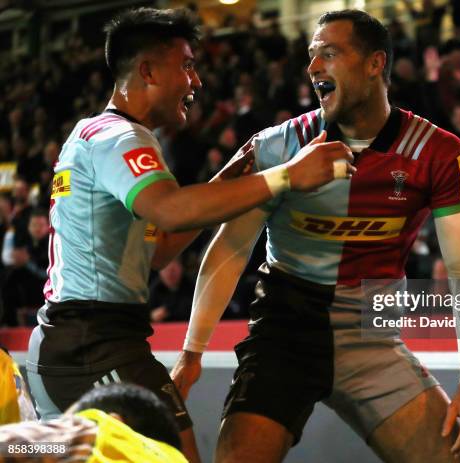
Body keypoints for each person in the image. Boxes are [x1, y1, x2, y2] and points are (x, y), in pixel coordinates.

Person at [25, 7, 354, 463]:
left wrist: (227, 179)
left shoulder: (95, 134)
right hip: (92, 343)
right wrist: (286, 178)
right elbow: (172, 211)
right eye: (186, 65)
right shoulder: (121, 138)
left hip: (77, 337)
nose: (196, 81)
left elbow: (158, 250)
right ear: (146, 70)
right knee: (175, 454)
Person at [173, 10, 460, 463]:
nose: (313, 67)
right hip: (283, 336)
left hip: (371, 338)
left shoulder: (439, 153)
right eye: (311, 55)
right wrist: (192, 351)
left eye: (329, 52)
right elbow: (231, 245)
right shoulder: (279, 145)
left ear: (375, 63)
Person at [0, 383, 187, 462]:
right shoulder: (174, 458)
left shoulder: (105, 432)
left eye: (69, 419)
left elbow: (9, 446)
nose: (65, 424)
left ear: (117, 421)